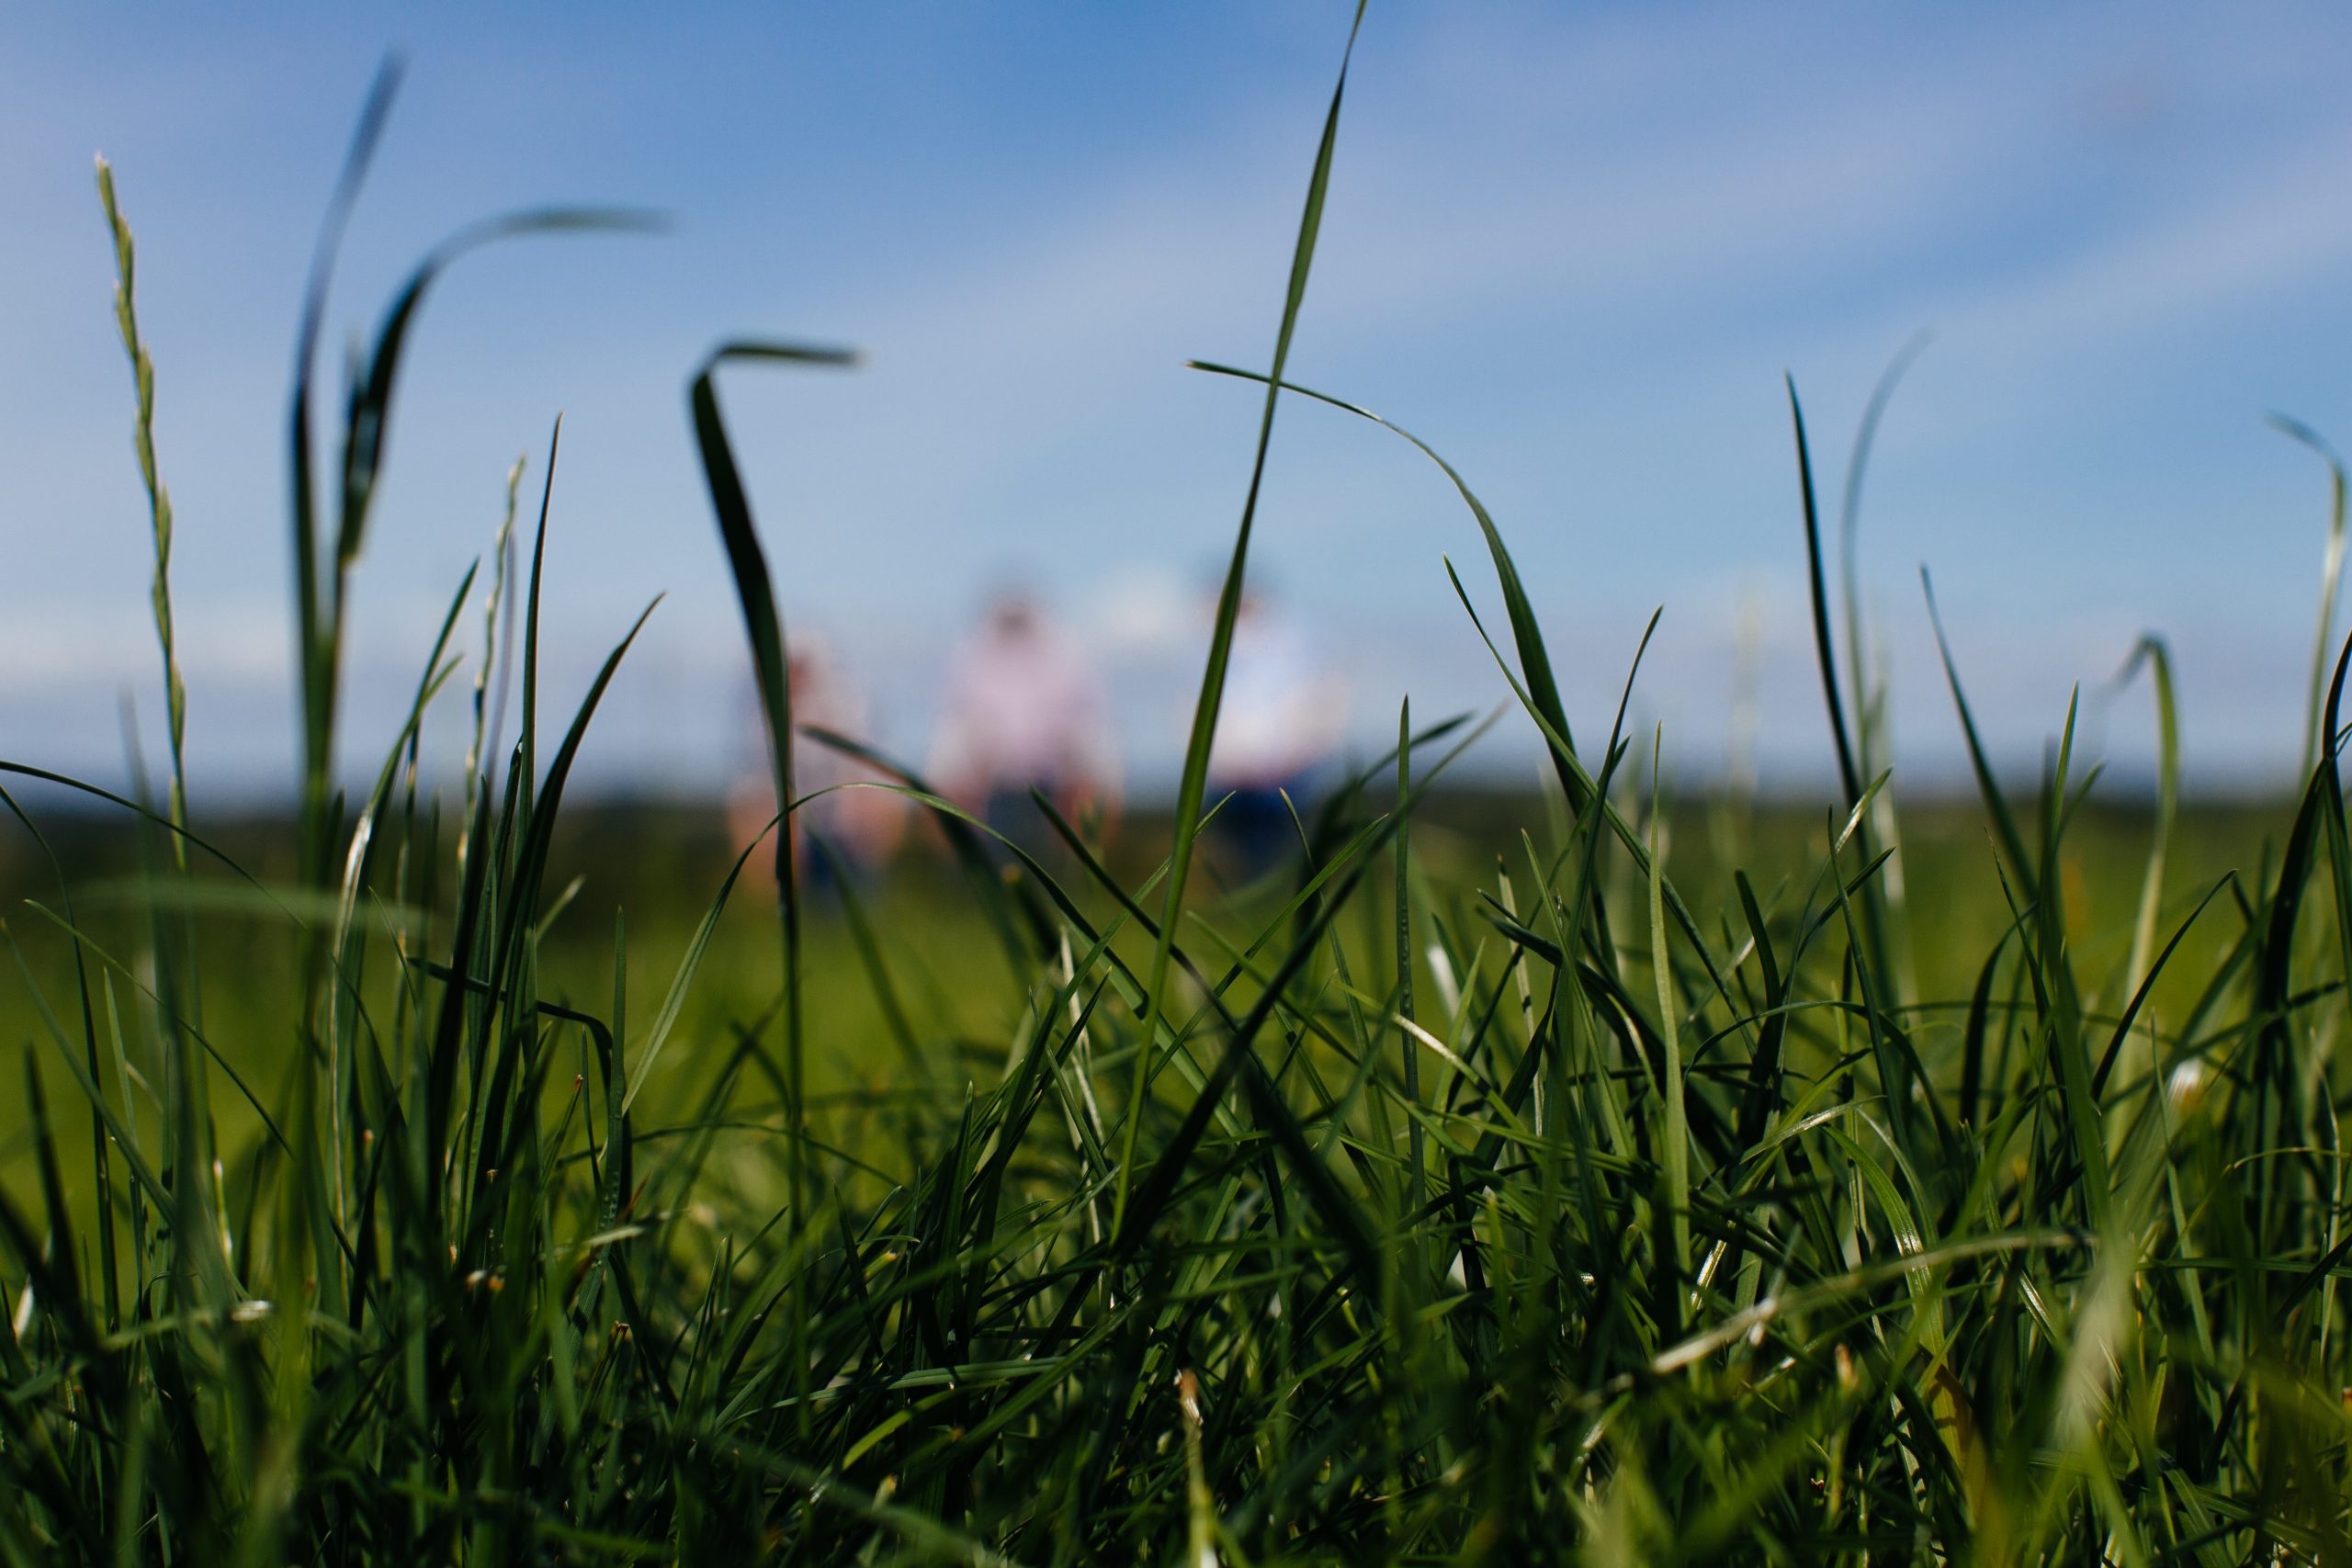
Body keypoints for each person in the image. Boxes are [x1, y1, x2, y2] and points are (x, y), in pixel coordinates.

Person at [928, 588, 1120, 852]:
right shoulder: (971, 656)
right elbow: (955, 726)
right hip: (992, 793)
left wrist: (1101, 783)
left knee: (1054, 870)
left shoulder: (1065, 653)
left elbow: (1087, 725)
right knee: (997, 868)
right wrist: (946, 783)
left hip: (1054, 791)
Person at [728, 633, 905, 886]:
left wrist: (870, 820)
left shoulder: (844, 704)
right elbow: (755, 782)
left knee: (850, 891)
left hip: (848, 830)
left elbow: (864, 769)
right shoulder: (757, 715)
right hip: (798, 833)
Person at [1206, 588, 1345, 876]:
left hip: (1284, 774)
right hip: (1231, 778)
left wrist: (1302, 754)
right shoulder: (1205, 645)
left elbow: (1321, 701)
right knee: (1239, 857)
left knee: (1281, 856)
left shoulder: (1293, 647)